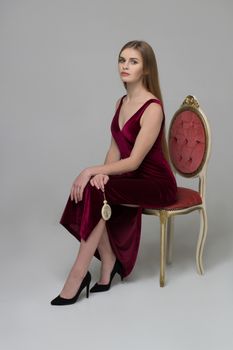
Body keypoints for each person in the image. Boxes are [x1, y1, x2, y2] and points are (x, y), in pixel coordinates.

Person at [50, 40, 177, 306]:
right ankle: (108, 263)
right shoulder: (121, 101)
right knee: (94, 188)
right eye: (122, 60)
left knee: (93, 184)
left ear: (146, 69)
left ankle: (77, 275)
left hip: (156, 184)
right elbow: (114, 152)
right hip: (132, 179)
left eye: (133, 61)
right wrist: (102, 175)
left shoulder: (152, 107)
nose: (125, 66)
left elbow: (133, 161)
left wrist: (89, 170)